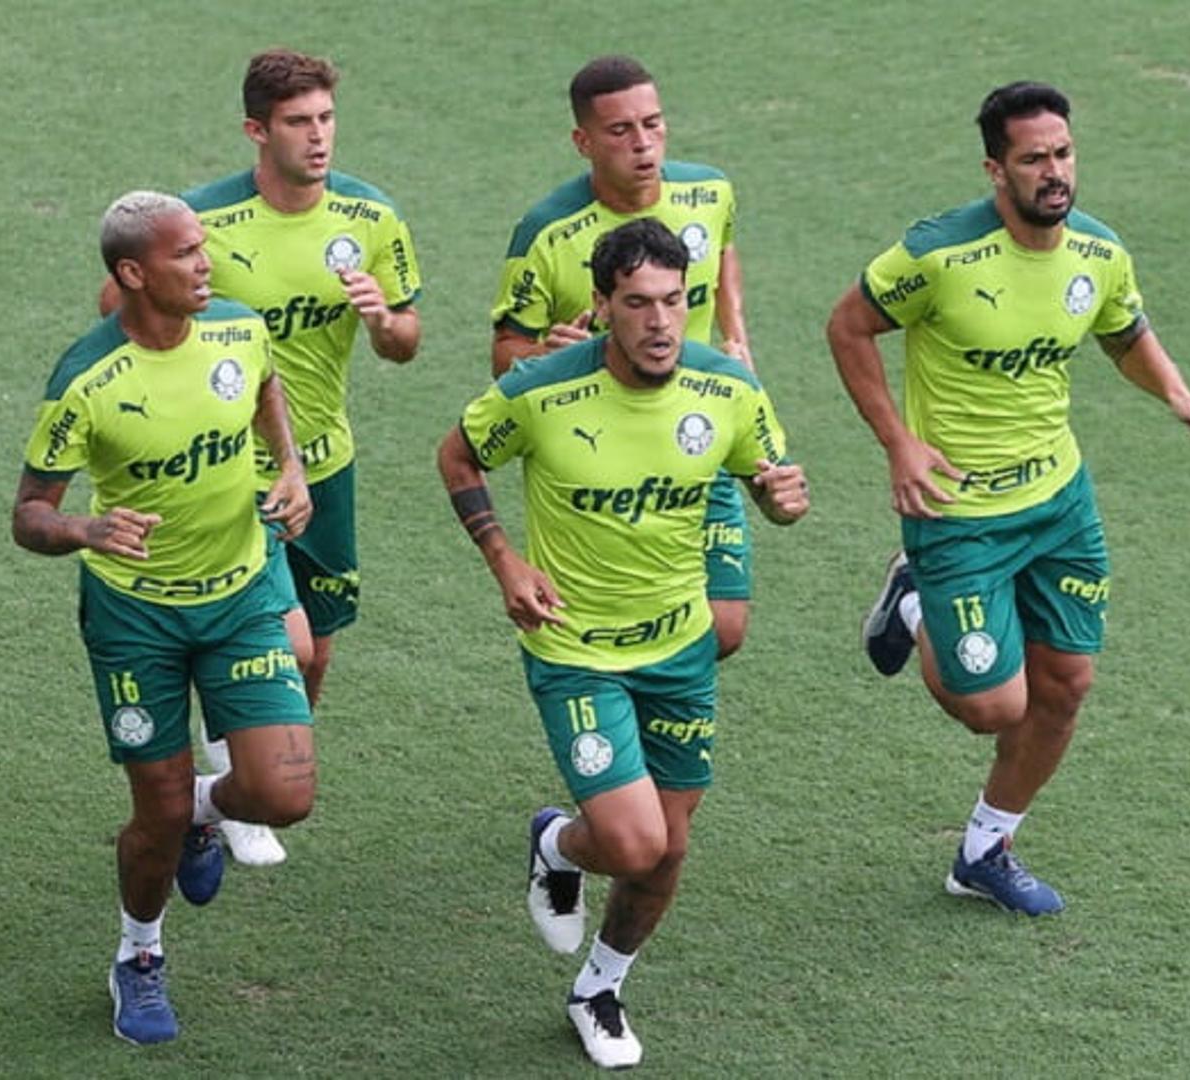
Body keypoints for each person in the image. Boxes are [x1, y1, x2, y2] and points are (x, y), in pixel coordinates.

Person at [828, 82, 1190, 916]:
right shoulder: (938, 254)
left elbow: (1124, 332)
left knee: (1066, 684)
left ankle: (984, 849)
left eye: (1064, 152)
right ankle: (915, 603)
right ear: (995, 170)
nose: (1055, 172)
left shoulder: (1098, 253)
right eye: (1034, 158)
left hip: (1057, 501)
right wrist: (900, 442)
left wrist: (1179, 396)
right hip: (959, 509)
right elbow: (848, 327)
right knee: (990, 705)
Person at [439, 220, 808, 1069]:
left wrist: (782, 499)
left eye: (674, 302)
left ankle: (599, 985)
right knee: (636, 842)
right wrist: (505, 560)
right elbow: (458, 457)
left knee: (665, 849)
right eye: (637, 304)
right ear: (602, 306)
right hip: (574, 648)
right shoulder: (539, 390)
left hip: (678, 649)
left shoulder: (728, 390)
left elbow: (769, 481)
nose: (659, 322)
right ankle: (560, 844)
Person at [101, 48, 422, 867]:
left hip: (326, 463)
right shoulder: (201, 220)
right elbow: (119, 309)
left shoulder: (371, 219)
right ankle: (228, 765)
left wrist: (384, 322)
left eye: (326, 119)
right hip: (232, 473)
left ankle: (235, 786)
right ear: (256, 130)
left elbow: (406, 344)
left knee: (322, 640)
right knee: (294, 641)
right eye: (297, 123)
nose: (318, 138)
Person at [15, 191, 317, 1045]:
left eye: (204, 248)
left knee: (284, 794)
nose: (205, 264)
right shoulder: (86, 377)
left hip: (241, 596)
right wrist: (86, 528)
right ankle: (139, 956)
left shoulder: (238, 329)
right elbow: (29, 514)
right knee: (151, 822)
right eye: (185, 254)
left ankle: (199, 809)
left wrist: (288, 467)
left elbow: (266, 387)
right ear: (132, 273)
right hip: (136, 618)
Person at [490, 55, 756, 662]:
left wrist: (737, 339)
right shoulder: (546, 234)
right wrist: (543, 353)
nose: (644, 145)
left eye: (653, 124)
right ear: (583, 142)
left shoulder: (708, 192)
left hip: (695, 427)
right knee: (627, 626)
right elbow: (504, 353)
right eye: (621, 131)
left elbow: (723, 254)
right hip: (599, 446)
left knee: (726, 627)